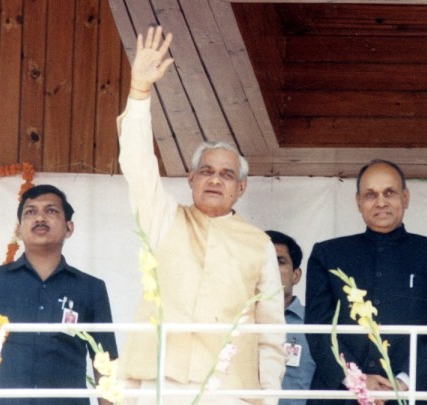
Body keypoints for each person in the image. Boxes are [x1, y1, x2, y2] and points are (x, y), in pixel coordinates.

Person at [116, 26, 285, 404]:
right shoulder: (164, 218)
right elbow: (137, 163)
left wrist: (268, 398)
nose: (215, 180)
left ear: (241, 188)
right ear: (190, 179)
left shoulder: (258, 244)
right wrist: (140, 91)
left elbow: (271, 332)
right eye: (206, 171)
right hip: (159, 382)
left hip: (228, 389)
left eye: (227, 175)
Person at [305, 159, 427, 404]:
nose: (380, 202)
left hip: (413, 395)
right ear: (358, 201)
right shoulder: (328, 254)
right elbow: (318, 328)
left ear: (406, 198)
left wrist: (402, 383)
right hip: (340, 394)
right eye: (370, 195)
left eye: (389, 193)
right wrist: (357, 380)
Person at [0, 184, 118, 405]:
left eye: (51, 211)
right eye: (30, 212)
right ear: (19, 230)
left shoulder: (91, 288)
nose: (40, 217)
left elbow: (105, 363)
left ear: (69, 228)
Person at [266, 231, 317, 405]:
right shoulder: (238, 323)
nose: (270, 268)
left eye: (279, 262)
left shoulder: (314, 324)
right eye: (263, 262)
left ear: (296, 275)